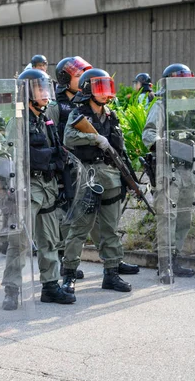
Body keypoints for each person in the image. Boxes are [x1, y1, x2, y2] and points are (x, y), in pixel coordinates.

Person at [1, 69, 76, 310]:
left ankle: (50, 285)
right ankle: (12, 289)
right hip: (28, 185)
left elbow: (55, 151)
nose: (45, 93)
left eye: (46, 88)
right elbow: (16, 155)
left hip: (48, 185)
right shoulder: (18, 120)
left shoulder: (46, 119)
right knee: (20, 241)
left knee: (50, 239)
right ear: (26, 92)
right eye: (39, 88)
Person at [61, 68, 133, 295]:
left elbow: (120, 151)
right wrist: (94, 138)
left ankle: (111, 273)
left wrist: (128, 178)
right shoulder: (79, 114)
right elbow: (68, 138)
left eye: (107, 88)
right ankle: (69, 274)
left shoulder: (110, 115)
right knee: (80, 229)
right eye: (100, 88)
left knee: (110, 230)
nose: (105, 94)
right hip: (88, 177)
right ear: (88, 89)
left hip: (111, 177)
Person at [142, 63, 195, 280]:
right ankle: (164, 263)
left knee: (184, 216)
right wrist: (166, 144)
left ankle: (175, 258)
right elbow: (148, 134)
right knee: (168, 216)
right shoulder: (161, 105)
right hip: (168, 168)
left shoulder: (190, 107)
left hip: (188, 169)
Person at [46, 56, 93, 280]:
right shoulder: (55, 105)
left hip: (81, 166)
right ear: (65, 79)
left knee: (74, 214)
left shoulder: (85, 102)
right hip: (61, 167)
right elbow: (49, 136)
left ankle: (67, 261)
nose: (83, 79)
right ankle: (59, 259)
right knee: (61, 214)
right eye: (78, 76)